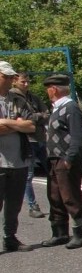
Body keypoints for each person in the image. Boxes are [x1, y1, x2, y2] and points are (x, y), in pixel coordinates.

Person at [41, 74, 82, 249]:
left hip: (66, 159)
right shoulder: (56, 108)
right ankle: (59, 233)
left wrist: (70, 158)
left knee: (70, 197)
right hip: (54, 159)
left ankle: (79, 234)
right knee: (54, 196)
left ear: (54, 89)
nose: (47, 91)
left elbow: (78, 137)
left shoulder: (70, 108)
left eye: (48, 88)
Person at [0, 61, 36, 252]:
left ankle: (10, 238)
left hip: (19, 160)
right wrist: (17, 124)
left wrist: (6, 122)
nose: (9, 80)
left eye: (10, 77)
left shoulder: (18, 99)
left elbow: (31, 126)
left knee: (14, 205)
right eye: (5, 76)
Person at [8, 71, 50, 219]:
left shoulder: (33, 97)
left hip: (40, 139)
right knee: (29, 175)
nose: (26, 84)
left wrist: (35, 117)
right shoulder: (12, 97)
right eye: (23, 82)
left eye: (27, 82)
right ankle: (33, 206)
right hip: (27, 140)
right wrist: (36, 117)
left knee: (52, 171)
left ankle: (56, 202)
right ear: (14, 81)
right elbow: (18, 118)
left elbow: (46, 114)